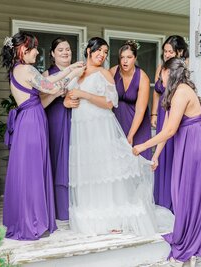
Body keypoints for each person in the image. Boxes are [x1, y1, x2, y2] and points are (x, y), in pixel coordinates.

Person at [67, 37, 158, 236]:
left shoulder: (105, 73)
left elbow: (110, 103)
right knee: (89, 169)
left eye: (105, 52)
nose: (102, 55)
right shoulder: (79, 72)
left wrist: (83, 95)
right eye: (99, 50)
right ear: (89, 50)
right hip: (81, 127)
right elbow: (67, 94)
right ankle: (91, 210)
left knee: (107, 169)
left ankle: (113, 214)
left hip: (101, 124)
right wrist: (67, 100)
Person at [0, 32, 84, 240]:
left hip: (27, 120)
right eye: (34, 48)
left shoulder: (16, 70)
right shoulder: (26, 69)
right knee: (33, 171)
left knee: (27, 170)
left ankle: (27, 218)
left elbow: (48, 81)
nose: (38, 52)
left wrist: (70, 69)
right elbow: (51, 86)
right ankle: (33, 221)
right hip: (32, 122)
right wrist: (72, 75)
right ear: (23, 50)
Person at [133, 57, 201, 266]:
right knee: (180, 192)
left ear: (168, 73)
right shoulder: (174, 93)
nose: (159, 76)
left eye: (161, 72)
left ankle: (189, 248)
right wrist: (155, 155)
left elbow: (170, 131)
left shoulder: (181, 91)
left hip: (197, 145)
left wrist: (143, 146)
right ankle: (187, 240)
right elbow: (166, 130)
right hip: (188, 143)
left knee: (191, 194)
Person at [152, 35, 201, 211]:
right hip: (163, 113)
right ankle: (163, 202)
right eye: (165, 51)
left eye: (170, 51)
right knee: (163, 154)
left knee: (177, 157)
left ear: (179, 52)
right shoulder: (162, 68)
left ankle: (177, 204)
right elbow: (157, 93)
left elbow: (199, 86)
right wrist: (153, 113)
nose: (166, 54)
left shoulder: (185, 70)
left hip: (179, 116)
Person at [41, 37, 79, 221]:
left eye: (68, 49)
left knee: (76, 158)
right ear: (52, 54)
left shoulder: (80, 72)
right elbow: (40, 101)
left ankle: (77, 205)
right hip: (56, 118)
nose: (65, 52)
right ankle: (60, 208)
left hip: (78, 118)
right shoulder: (48, 74)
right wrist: (61, 99)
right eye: (61, 50)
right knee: (59, 159)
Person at [109, 40, 152, 159]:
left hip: (137, 124)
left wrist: (130, 134)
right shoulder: (112, 72)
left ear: (135, 58)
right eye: (122, 57)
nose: (125, 61)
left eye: (129, 57)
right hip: (117, 121)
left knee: (137, 159)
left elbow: (140, 110)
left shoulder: (143, 78)